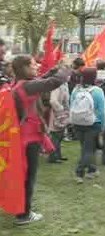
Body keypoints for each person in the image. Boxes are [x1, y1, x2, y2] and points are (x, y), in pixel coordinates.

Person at [11, 55, 70, 225]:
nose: (37, 65)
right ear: (24, 68)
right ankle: (24, 214)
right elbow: (54, 82)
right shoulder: (28, 86)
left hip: (23, 135)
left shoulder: (20, 84)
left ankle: (21, 208)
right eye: (33, 64)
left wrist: (52, 70)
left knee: (24, 175)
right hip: (30, 137)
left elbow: (42, 80)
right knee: (29, 176)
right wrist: (66, 68)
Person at [70, 68, 105, 183]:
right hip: (93, 123)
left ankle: (92, 169)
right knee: (89, 150)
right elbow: (102, 111)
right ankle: (79, 172)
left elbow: (71, 105)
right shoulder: (98, 91)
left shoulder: (76, 90)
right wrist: (102, 126)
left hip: (78, 122)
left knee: (85, 147)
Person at [48, 81, 70, 163]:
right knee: (55, 135)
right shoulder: (57, 85)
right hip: (57, 112)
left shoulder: (64, 84)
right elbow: (53, 100)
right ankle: (53, 156)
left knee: (60, 134)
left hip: (61, 112)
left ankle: (58, 155)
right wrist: (60, 109)